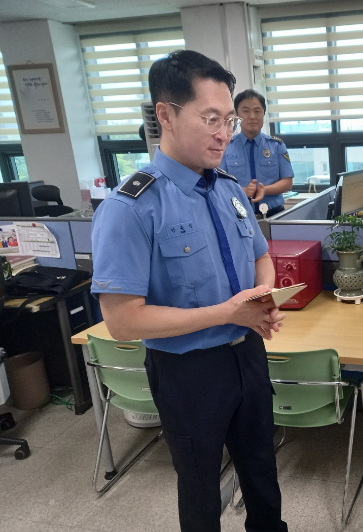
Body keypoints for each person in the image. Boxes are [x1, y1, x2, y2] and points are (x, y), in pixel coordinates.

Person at [91, 50, 288, 532]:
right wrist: (227, 313)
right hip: (188, 371)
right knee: (200, 487)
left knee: (262, 470)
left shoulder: (229, 188)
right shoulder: (131, 207)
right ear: (166, 115)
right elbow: (123, 320)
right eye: (210, 119)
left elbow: (262, 254)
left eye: (229, 119)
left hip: (248, 353)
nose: (225, 132)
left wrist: (260, 298)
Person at [220, 89, 294, 217]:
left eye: (257, 111)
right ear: (236, 115)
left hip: (274, 215)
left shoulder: (277, 146)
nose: (252, 116)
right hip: (238, 216)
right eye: (246, 111)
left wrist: (265, 190)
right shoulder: (225, 147)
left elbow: (287, 182)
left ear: (263, 114)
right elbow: (219, 184)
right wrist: (243, 191)